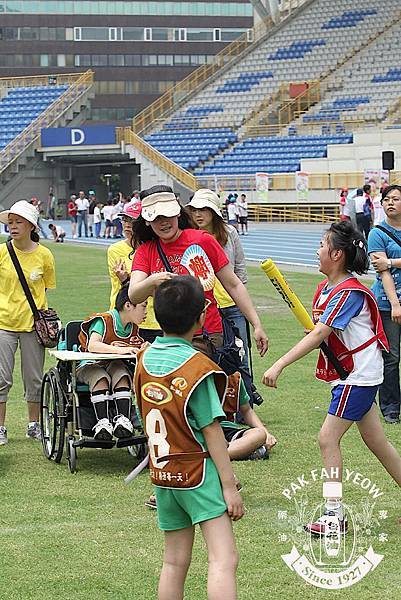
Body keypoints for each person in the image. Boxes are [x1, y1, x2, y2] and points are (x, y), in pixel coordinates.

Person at [262, 220, 401, 535]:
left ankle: (334, 516)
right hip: (355, 374)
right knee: (376, 441)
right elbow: (325, 333)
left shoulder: (348, 292)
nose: (318, 250)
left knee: (327, 437)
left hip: (358, 376)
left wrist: (280, 363)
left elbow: (320, 334)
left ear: (337, 254)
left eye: (323, 246)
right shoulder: (328, 289)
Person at [134, 276, 244, 600]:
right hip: (198, 473)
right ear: (201, 318)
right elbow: (212, 430)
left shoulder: (144, 359)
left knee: (173, 561)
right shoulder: (196, 366)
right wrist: (228, 485)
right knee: (224, 559)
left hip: (163, 475)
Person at [129, 185, 268, 357]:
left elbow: (233, 285)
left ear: (178, 213)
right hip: (169, 338)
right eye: (156, 218)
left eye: (168, 215)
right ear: (147, 221)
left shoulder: (202, 240)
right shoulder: (145, 251)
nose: (163, 222)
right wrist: (152, 281)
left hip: (208, 335)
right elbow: (134, 294)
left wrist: (257, 324)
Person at [0, 200, 56, 445]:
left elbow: (45, 289)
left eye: (18, 222)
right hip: (3, 322)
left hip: (34, 325)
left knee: (33, 377)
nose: (13, 226)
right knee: (2, 377)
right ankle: (0, 428)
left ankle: (33, 424)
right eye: (10, 222)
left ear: (31, 226)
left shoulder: (44, 255)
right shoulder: (2, 252)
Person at [77, 284, 146, 440]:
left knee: (122, 374)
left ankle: (123, 419)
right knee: (100, 377)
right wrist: (122, 350)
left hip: (113, 365)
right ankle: (102, 422)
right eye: (143, 306)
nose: (146, 311)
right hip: (89, 365)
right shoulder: (105, 320)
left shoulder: (133, 327)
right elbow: (93, 345)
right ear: (128, 305)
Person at [368, 184, 401, 424]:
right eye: (386, 199)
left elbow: (386, 264)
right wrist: (395, 304)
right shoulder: (377, 233)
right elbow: (383, 273)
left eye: (396, 199)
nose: (390, 202)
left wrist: (391, 260)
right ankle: (391, 407)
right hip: (387, 303)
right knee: (391, 357)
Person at [107, 201, 161, 343]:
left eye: (132, 220)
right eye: (125, 219)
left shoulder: (156, 248)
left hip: (154, 318)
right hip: (126, 317)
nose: (127, 224)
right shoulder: (115, 250)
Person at [220, 372, 276, 461]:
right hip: (202, 428)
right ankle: (241, 452)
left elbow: (247, 410)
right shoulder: (201, 375)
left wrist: (266, 433)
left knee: (259, 434)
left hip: (227, 429)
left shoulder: (236, 378)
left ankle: (218, 454)